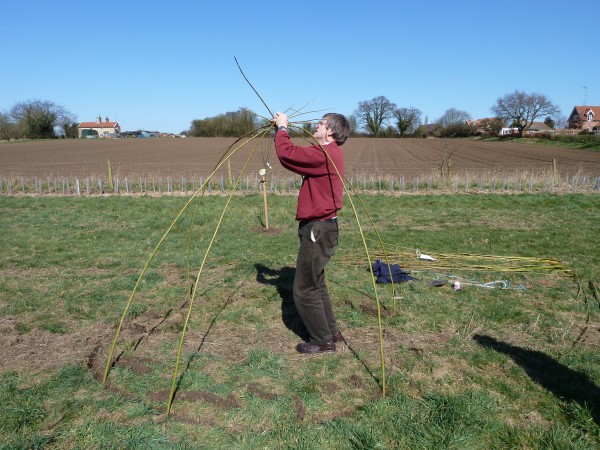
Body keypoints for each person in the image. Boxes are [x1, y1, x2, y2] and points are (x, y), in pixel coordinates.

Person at [273, 111, 350, 354]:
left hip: (319, 228)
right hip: (322, 226)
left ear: (331, 131)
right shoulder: (326, 153)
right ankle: (331, 332)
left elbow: (288, 154)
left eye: (321, 123)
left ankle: (322, 341)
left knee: (304, 288)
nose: (316, 126)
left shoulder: (325, 153)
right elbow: (293, 159)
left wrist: (282, 129)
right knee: (316, 282)